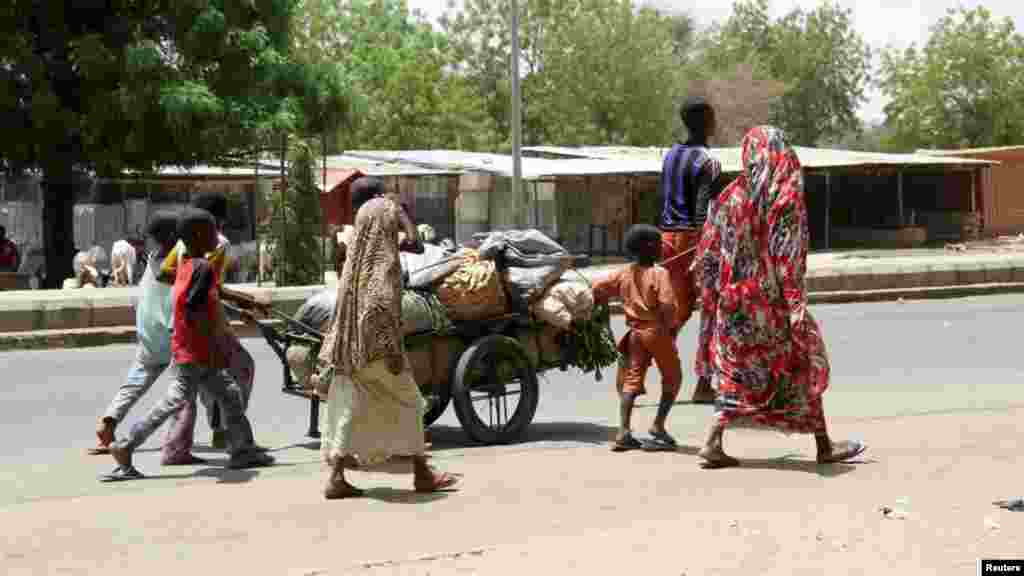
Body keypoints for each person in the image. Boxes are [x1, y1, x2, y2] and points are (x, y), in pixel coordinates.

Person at [692, 126, 866, 469]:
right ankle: (824, 445)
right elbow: (787, 253)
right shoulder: (782, 195)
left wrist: (713, 295)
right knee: (798, 364)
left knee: (737, 371)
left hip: (733, 304)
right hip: (769, 304)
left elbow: (707, 256)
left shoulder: (730, 196)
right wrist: (795, 302)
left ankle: (713, 442)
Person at [102, 208, 273, 481]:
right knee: (174, 401)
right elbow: (194, 307)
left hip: (190, 349)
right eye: (210, 232)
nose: (216, 237)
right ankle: (126, 446)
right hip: (196, 352)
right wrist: (211, 345)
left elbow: (204, 298)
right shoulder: (203, 268)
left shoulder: (185, 265)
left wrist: (242, 306)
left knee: (229, 395)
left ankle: (243, 449)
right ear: (197, 236)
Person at [316, 177, 457, 499]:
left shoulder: (355, 261)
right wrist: (399, 210)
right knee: (410, 402)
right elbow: (415, 244)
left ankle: (337, 476)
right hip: (377, 348)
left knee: (349, 404)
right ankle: (423, 474)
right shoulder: (383, 267)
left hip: (348, 349)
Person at [89, 212, 206, 465]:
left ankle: (108, 422)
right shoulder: (183, 255)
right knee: (183, 392)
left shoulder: (154, 258)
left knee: (135, 382)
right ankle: (176, 446)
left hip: (149, 332)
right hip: (174, 332)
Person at [161, 192, 260, 451]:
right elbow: (210, 289)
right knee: (242, 371)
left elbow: (166, 273)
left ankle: (183, 442)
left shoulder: (182, 245)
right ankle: (230, 436)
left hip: (180, 325)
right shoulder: (219, 244)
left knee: (188, 391)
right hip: (206, 327)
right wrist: (244, 304)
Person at [593, 225, 682, 452]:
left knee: (632, 380)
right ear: (650, 248)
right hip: (656, 332)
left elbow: (598, 288)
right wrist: (670, 327)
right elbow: (668, 306)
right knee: (673, 377)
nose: (662, 248)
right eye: (659, 244)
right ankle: (658, 426)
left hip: (635, 334)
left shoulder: (624, 273)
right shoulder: (660, 274)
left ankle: (623, 432)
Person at [658, 96, 722, 404]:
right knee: (711, 310)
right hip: (692, 240)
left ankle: (643, 364)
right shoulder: (707, 160)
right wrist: (704, 246)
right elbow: (702, 208)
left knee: (676, 313)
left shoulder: (670, 155)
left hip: (667, 238)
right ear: (707, 121)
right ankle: (704, 385)